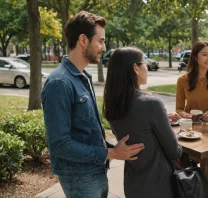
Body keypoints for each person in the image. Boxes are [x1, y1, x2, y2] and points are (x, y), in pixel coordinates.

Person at [41, 11, 145, 198]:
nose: (104, 47)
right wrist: (111, 153)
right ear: (83, 40)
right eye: (101, 41)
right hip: (80, 178)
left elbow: (85, 131)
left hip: (94, 172)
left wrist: (113, 148)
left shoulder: (82, 77)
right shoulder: (60, 83)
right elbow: (60, 145)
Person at [103, 47, 183, 198]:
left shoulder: (112, 106)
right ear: (135, 68)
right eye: (145, 63)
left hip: (133, 185)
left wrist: (162, 120)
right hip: (160, 186)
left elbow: (137, 129)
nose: (147, 67)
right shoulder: (152, 104)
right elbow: (174, 151)